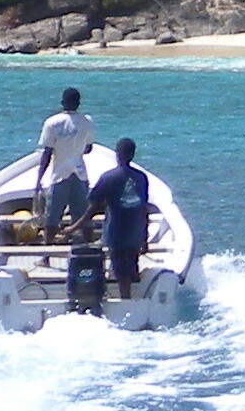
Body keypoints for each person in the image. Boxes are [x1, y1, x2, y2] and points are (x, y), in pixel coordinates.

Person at [94, 138, 154, 301]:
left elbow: (93, 204)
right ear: (133, 155)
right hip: (136, 230)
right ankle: (138, 298)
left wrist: (74, 227)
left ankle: (125, 300)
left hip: (116, 231)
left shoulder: (108, 177)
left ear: (117, 155)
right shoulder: (141, 177)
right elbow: (144, 208)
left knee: (120, 269)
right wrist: (145, 237)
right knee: (132, 264)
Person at [33, 87, 93, 236]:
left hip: (59, 173)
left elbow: (47, 153)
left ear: (62, 102)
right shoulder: (87, 121)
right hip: (80, 173)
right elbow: (88, 148)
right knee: (82, 214)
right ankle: (88, 248)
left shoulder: (52, 122)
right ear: (78, 103)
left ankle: (46, 256)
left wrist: (39, 178)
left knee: (52, 216)